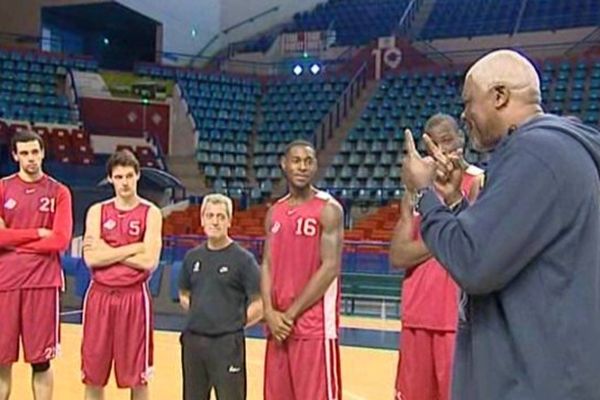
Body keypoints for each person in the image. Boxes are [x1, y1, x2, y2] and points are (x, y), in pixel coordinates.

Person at [401, 49, 600, 399]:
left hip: (534, 377)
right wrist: (453, 202)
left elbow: (474, 263)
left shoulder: (536, 153)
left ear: (499, 96)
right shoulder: (557, 148)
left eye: (468, 103)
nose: (464, 115)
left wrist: (423, 194)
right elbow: (504, 248)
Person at [390, 114, 483, 400]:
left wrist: (435, 226)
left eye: (447, 141)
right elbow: (398, 255)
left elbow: (475, 245)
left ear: (462, 141)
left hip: (456, 319)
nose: (441, 150)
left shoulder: (479, 181)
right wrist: (447, 232)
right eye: (433, 144)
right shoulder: (416, 189)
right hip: (416, 314)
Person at [261, 139, 344, 400]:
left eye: (308, 161)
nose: (302, 167)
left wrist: (290, 314)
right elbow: (267, 264)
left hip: (313, 327)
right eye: (296, 161)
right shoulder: (275, 212)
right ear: (284, 165)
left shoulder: (329, 209)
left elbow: (330, 267)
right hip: (278, 328)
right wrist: (269, 312)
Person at [81, 150, 162, 400]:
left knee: (137, 376)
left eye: (129, 175)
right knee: (93, 374)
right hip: (99, 297)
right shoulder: (97, 211)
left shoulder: (151, 213)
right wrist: (133, 248)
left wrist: (110, 250)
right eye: (119, 177)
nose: (124, 182)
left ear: (137, 176)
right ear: (110, 179)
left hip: (134, 299)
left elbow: (149, 261)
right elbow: (91, 258)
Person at [0, 130, 72, 400]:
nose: (31, 158)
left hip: (42, 284)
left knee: (41, 361)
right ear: (15, 155)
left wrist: (12, 240)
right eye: (25, 153)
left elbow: (60, 240)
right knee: (2, 360)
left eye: (35, 152)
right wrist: (36, 233)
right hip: (5, 284)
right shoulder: (3, 188)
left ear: (43, 152)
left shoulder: (59, 192)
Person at [178, 193, 262, 400]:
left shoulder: (243, 260)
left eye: (220, 216)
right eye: (210, 216)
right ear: (202, 219)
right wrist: (201, 315)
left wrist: (233, 324)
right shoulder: (192, 257)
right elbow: (184, 293)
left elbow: (259, 303)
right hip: (194, 343)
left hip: (226, 344)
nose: (215, 221)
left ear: (229, 221)